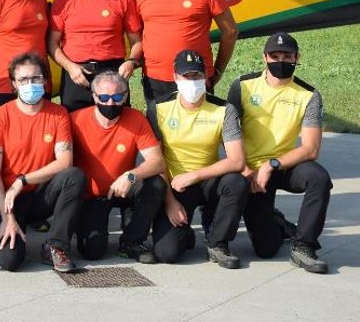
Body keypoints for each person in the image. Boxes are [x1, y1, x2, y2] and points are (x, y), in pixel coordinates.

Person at [228, 32, 332, 274]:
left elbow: (311, 148)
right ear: (264, 58)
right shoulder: (242, 86)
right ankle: (279, 223)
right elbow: (230, 134)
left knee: (319, 178)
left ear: (297, 58)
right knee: (266, 249)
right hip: (250, 171)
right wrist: (245, 169)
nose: (281, 60)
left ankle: (304, 246)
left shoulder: (309, 95)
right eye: (275, 56)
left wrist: (271, 164)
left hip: (284, 166)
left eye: (287, 56)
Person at [0, 53, 84, 273]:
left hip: (37, 193)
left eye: (36, 78)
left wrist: (23, 180)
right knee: (10, 261)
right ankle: (2, 226)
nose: (31, 84)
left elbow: (65, 161)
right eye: (24, 80)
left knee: (74, 176)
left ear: (46, 81)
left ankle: (56, 246)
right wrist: (7, 217)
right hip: (7, 200)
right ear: (14, 84)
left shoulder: (58, 114)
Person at [149, 50, 248, 268]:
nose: (192, 81)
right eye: (186, 76)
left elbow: (237, 160)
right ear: (175, 77)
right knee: (167, 253)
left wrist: (194, 175)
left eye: (197, 76)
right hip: (175, 186)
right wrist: (170, 202)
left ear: (206, 77)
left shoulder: (224, 109)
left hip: (207, 180)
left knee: (237, 181)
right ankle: (185, 235)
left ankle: (218, 243)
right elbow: (156, 161)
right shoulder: (158, 108)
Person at [70, 71, 165, 264]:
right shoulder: (75, 120)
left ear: (126, 96)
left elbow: (157, 162)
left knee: (155, 184)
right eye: (104, 97)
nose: (110, 103)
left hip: (123, 189)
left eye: (117, 97)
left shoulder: (136, 118)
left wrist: (131, 175)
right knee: (92, 251)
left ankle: (132, 241)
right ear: (94, 97)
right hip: (92, 195)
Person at [135, 0, 239, 103]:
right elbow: (137, 34)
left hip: (194, 76)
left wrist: (218, 71)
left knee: (199, 128)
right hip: (155, 79)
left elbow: (231, 31)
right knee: (159, 129)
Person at [48, 0, 143, 112]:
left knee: (116, 125)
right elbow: (52, 43)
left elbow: (137, 41)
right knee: (75, 126)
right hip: (76, 74)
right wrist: (70, 68)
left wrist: (132, 63)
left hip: (112, 72)